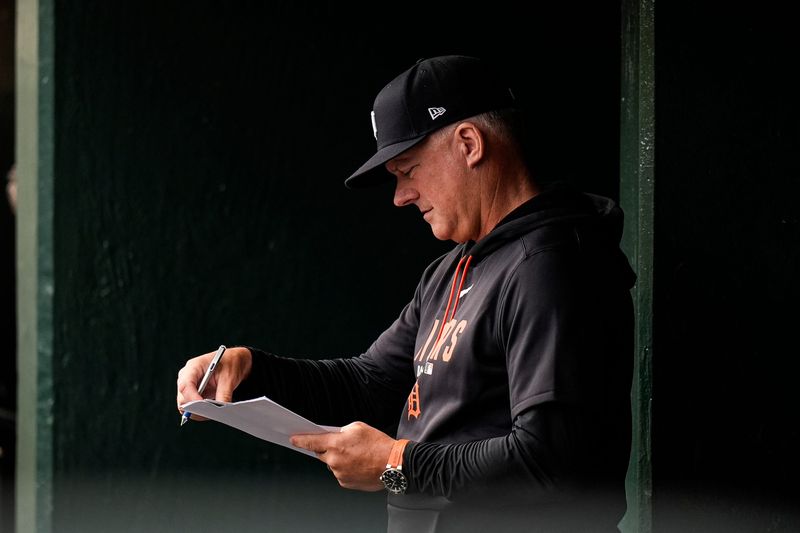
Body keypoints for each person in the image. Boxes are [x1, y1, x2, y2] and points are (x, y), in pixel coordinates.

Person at [176, 55, 636, 533]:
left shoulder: (550, 265)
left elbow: (551, 462)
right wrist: (250, 369)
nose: (400, 196)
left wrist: (397, 463)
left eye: (408, 169)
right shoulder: (450, 271)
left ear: (469, 143)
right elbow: (370, 384)